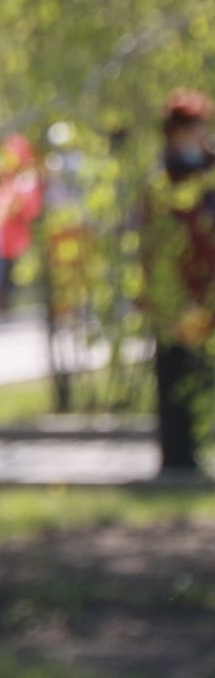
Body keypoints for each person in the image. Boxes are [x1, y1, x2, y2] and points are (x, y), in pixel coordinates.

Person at [136, 88, 215, 477]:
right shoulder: (161, 181)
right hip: (174, 297)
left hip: (208, 293)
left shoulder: (210, 173)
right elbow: (153, 245)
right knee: (174, 375)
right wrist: (162, 299)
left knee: (203, 376)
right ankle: (178, 459)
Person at [0, 133, 42, 318]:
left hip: (13, 232)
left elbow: (28, 208)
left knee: (6, 270)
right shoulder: (6, 176)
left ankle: (2, 304)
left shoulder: (24, 178)